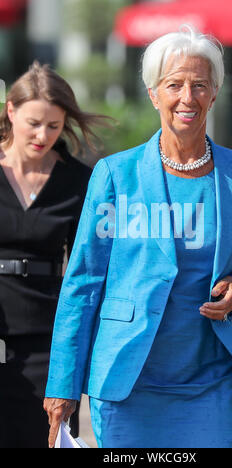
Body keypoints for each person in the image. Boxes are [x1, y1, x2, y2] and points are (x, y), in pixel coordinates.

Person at [44, 26, 232, 449]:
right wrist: (63, 383)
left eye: (200, 85)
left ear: (214, 93)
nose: (188, 97)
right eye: (174, 85)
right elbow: (83, 285)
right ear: (153, 94)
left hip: (211, 381)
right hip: (128, 381)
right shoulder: (115, 175)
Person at [0, 61, 109, 448]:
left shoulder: (80, 180)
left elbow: (88, 268)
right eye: (33, 122)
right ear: (11, 111)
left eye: (54, 125)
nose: (42, 135)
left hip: (50, 341)